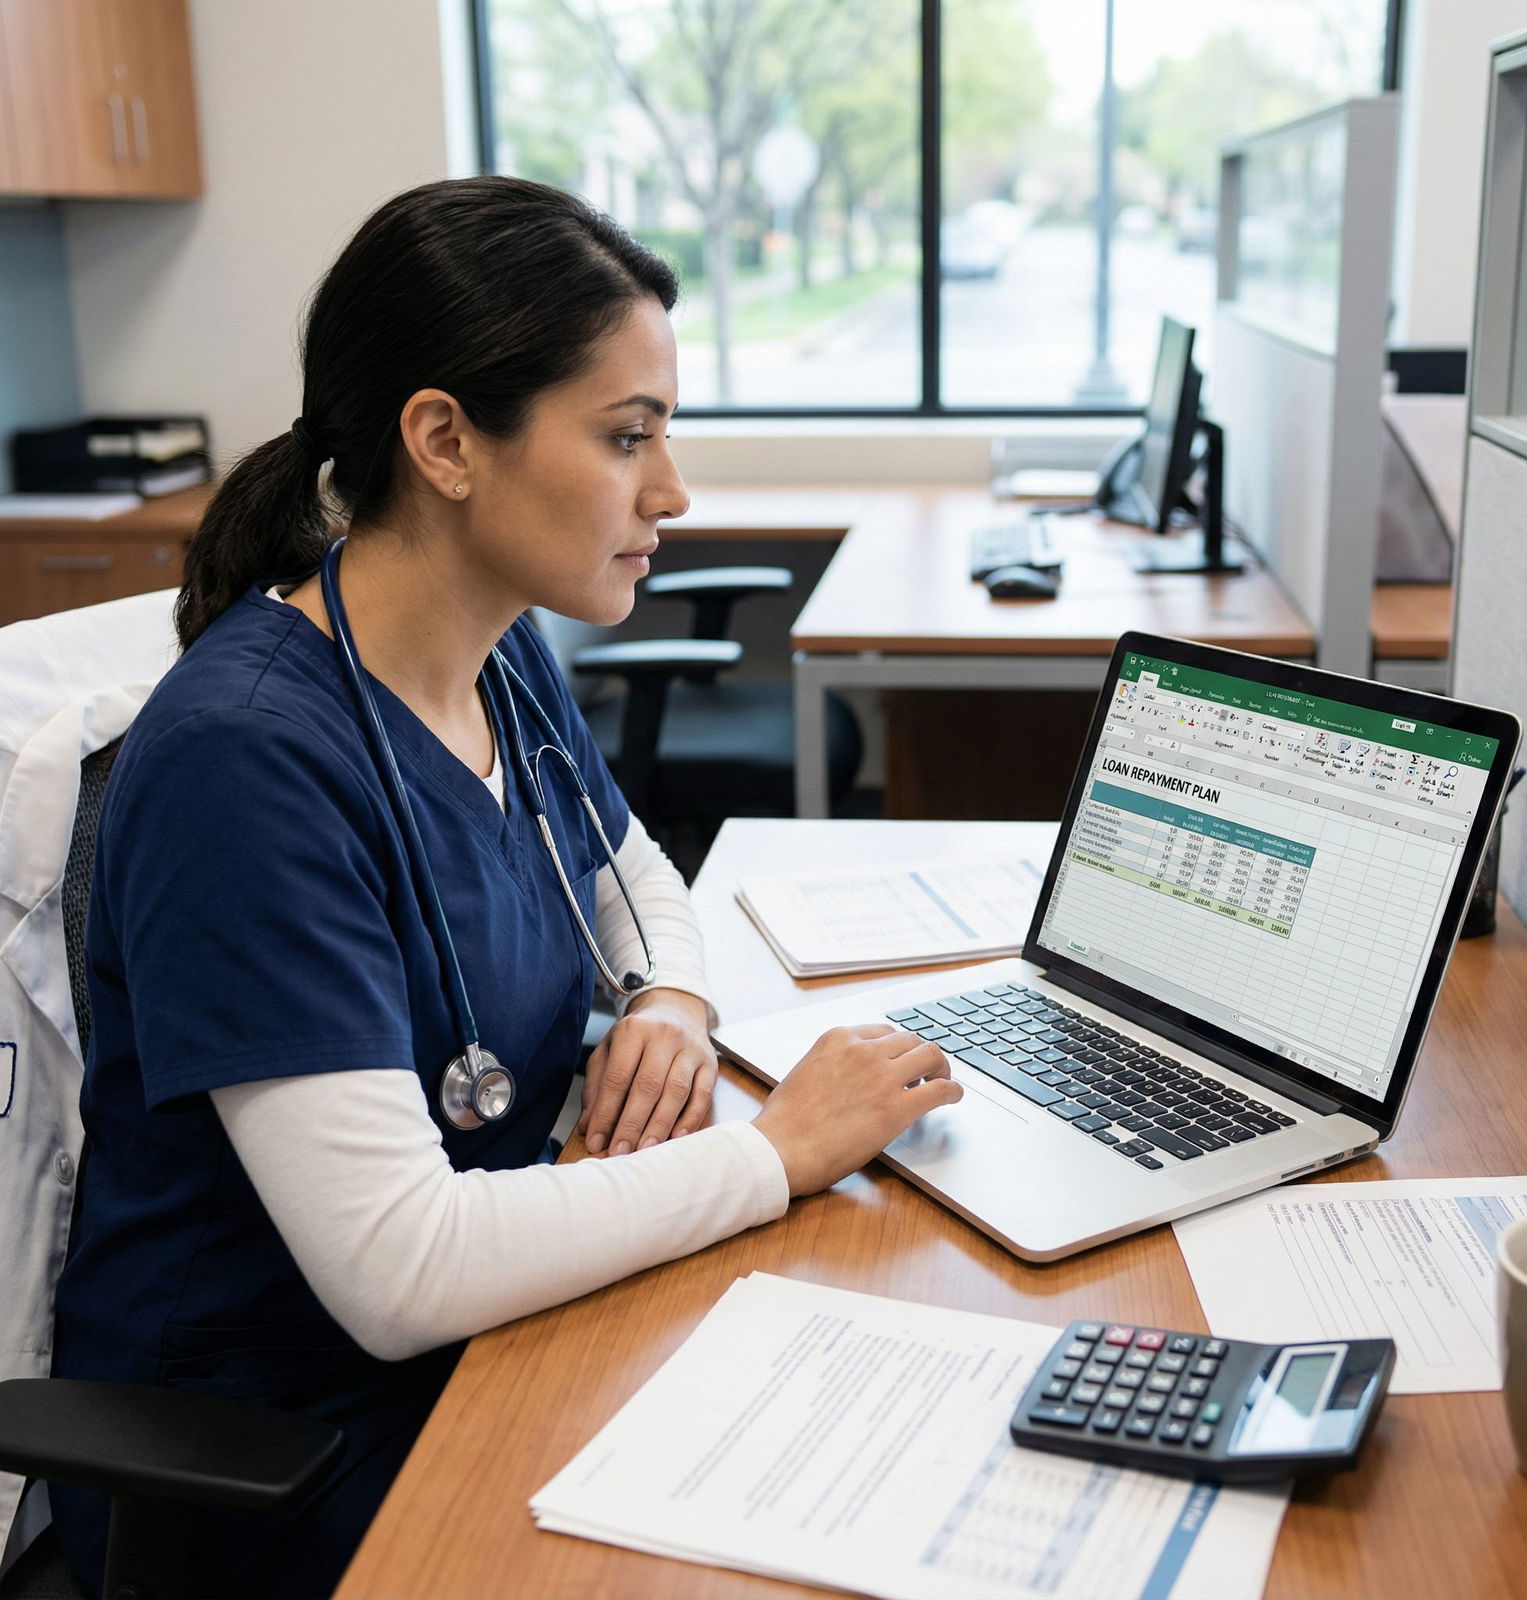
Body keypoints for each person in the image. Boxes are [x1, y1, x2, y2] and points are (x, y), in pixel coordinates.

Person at [49, 176, 961, 1599]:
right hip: (285, 1455)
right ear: (444, 441)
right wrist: (774, 1153)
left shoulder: (496, 647)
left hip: (496, 1325)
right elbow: (400, 1266)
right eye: (626, 437)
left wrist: (666, 992)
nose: (671, 492)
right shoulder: (248, 768)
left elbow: (629, 863)